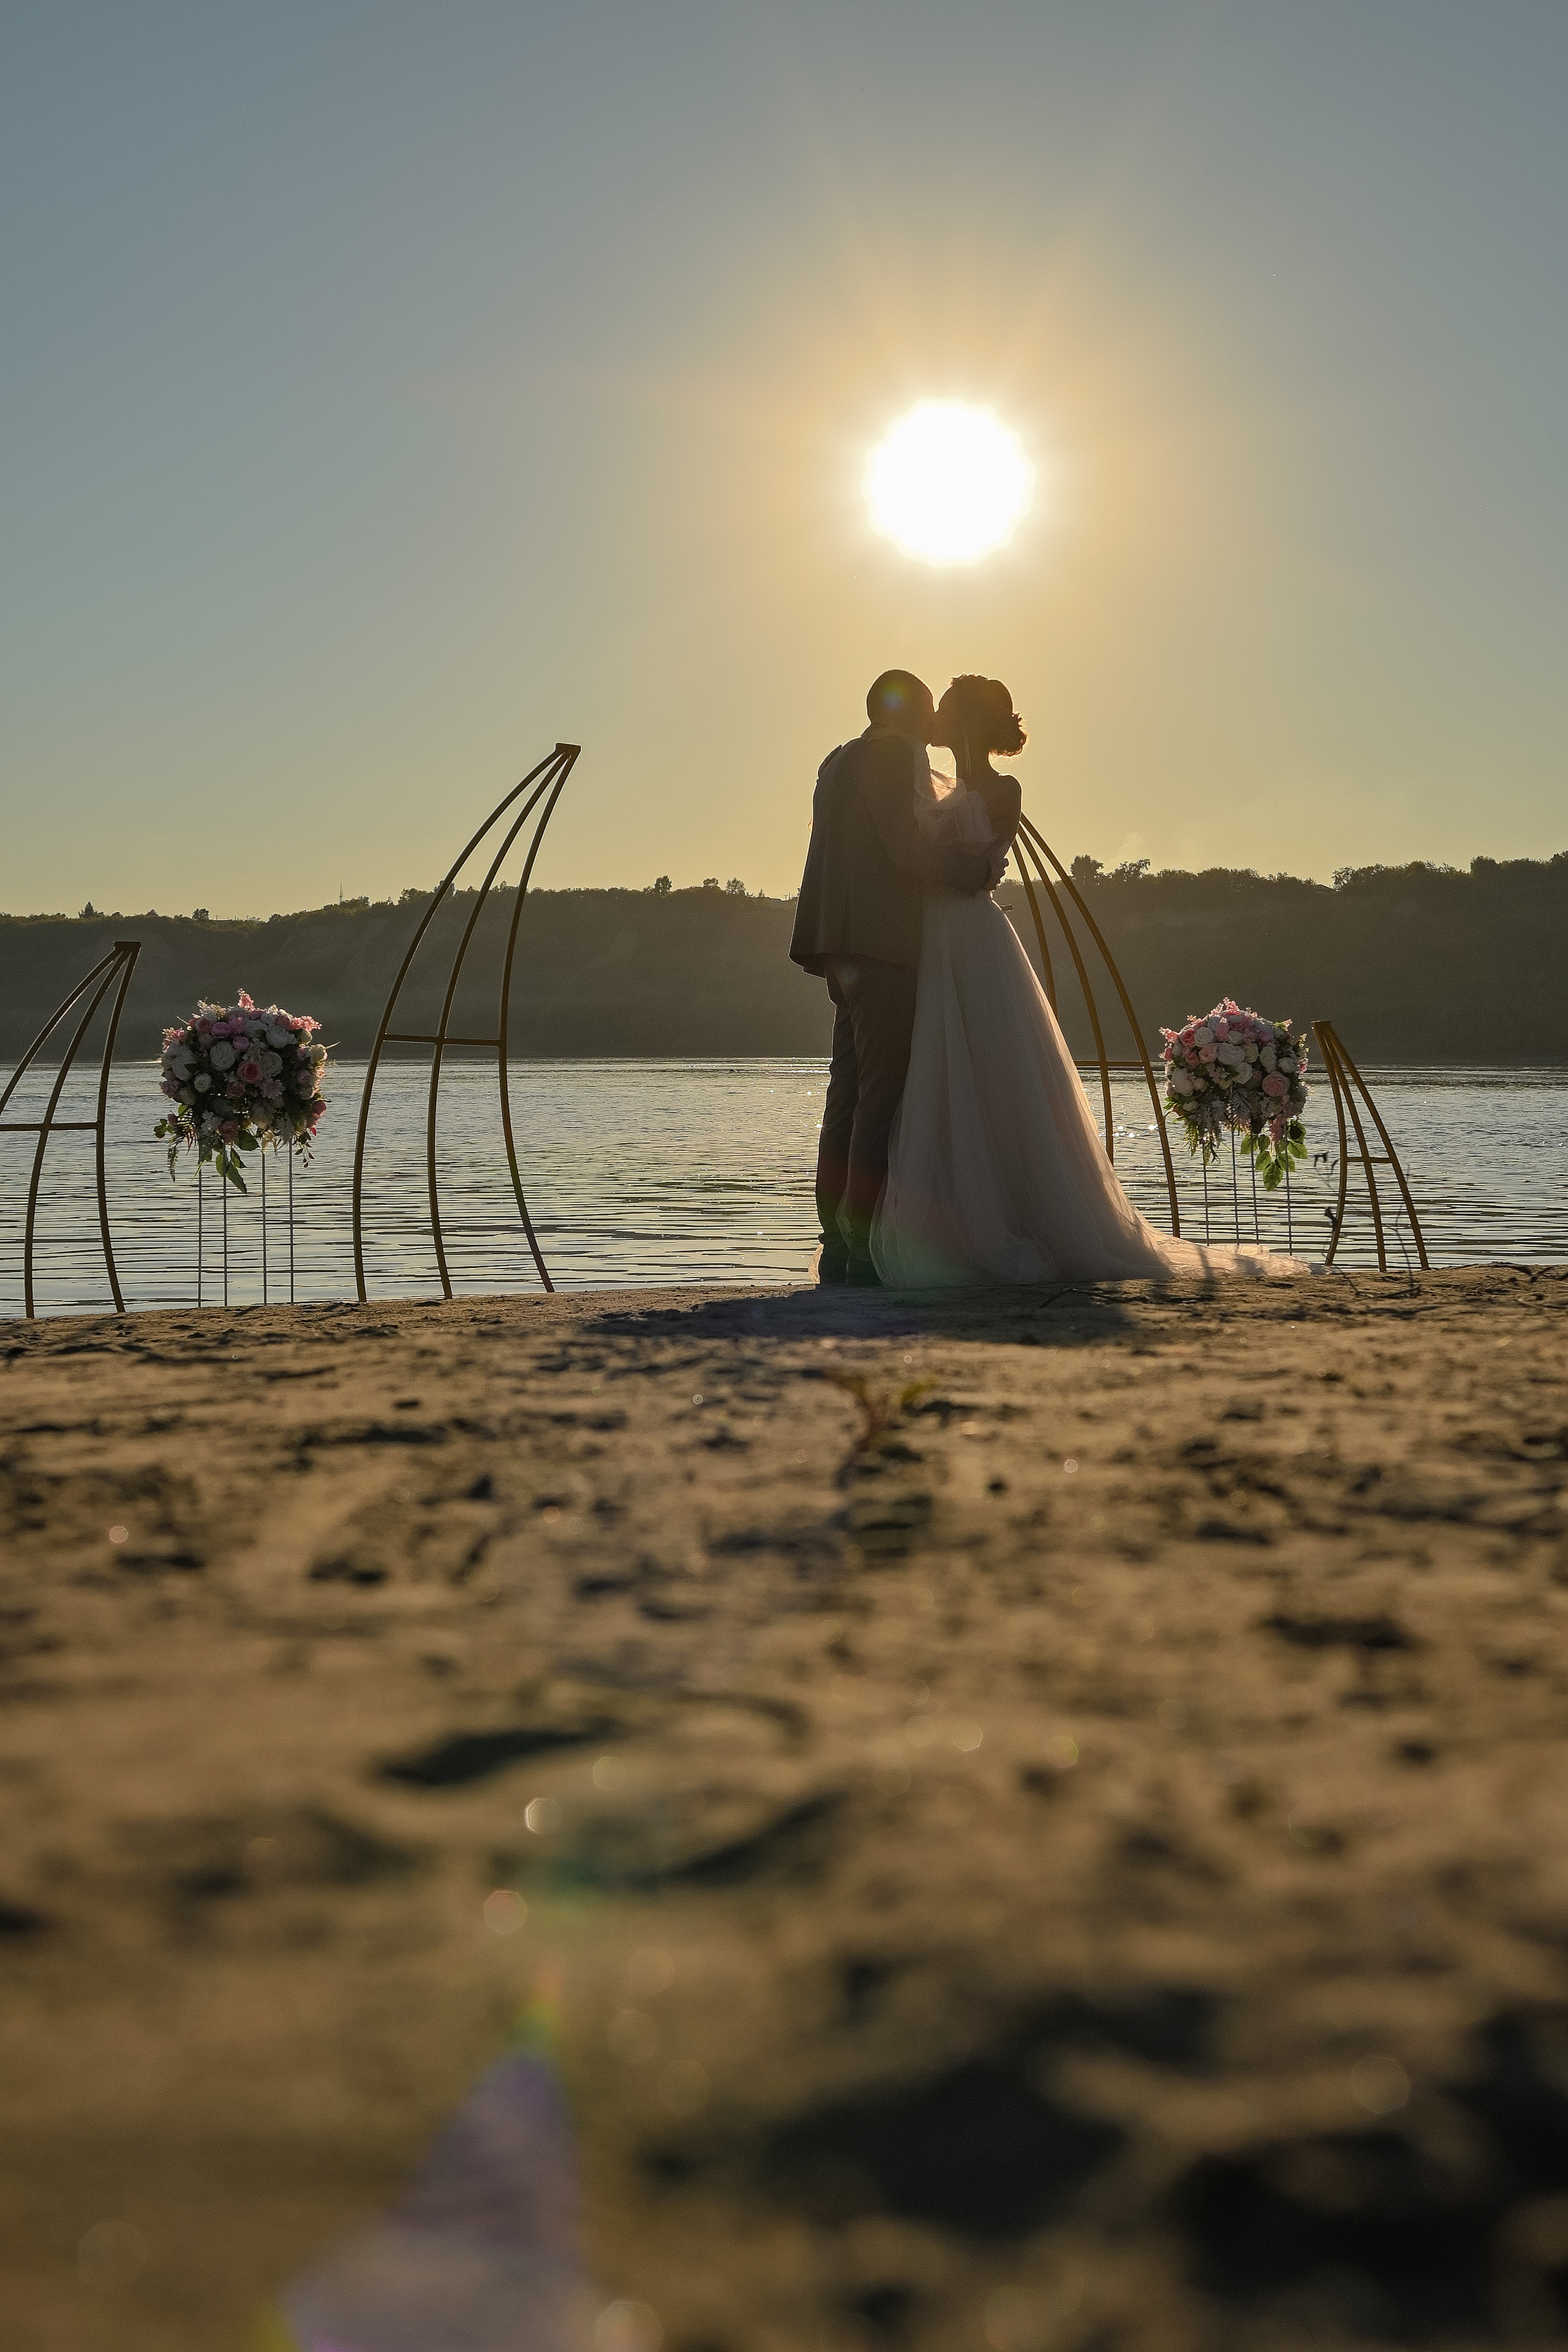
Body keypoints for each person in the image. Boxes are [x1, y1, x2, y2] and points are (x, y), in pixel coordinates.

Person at [870, 674, 1304, 1285]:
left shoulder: (1002, 788)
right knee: (938, 1071)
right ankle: (953, 1222)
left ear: (964, 720)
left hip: (973, 936)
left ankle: (1023, 1217)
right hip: (929, 939)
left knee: (997, 1070)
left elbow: (984, 869)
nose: (933, 717)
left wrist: (936, 866)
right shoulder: (927, 783)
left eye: (944, 707)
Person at [790, 669, 1000, 1286]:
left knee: (848, 1094)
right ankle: (857, 1247)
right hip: (879, 944)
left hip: (840, 945)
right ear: (908, 712)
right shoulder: (890, 756)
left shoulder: (840, 759)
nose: (933, 727)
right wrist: (974, 870)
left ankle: (837, 1242)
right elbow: (903, 847)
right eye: (928, 711)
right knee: (878, 1095)